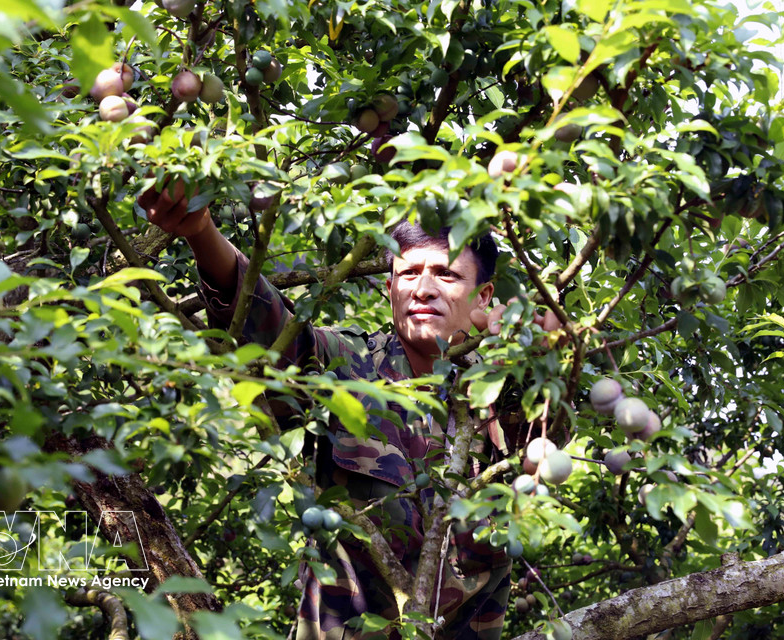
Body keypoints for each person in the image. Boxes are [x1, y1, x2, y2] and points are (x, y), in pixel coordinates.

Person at [138, 183, 561, 639]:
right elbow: (271, 333)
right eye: (408, 273)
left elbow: (543, 440)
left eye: (447, 275)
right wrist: (200, 231)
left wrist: (536, 356)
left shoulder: (504, 393)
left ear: (483, 296)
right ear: (389, 287)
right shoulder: (346, 365)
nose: (423, 289)